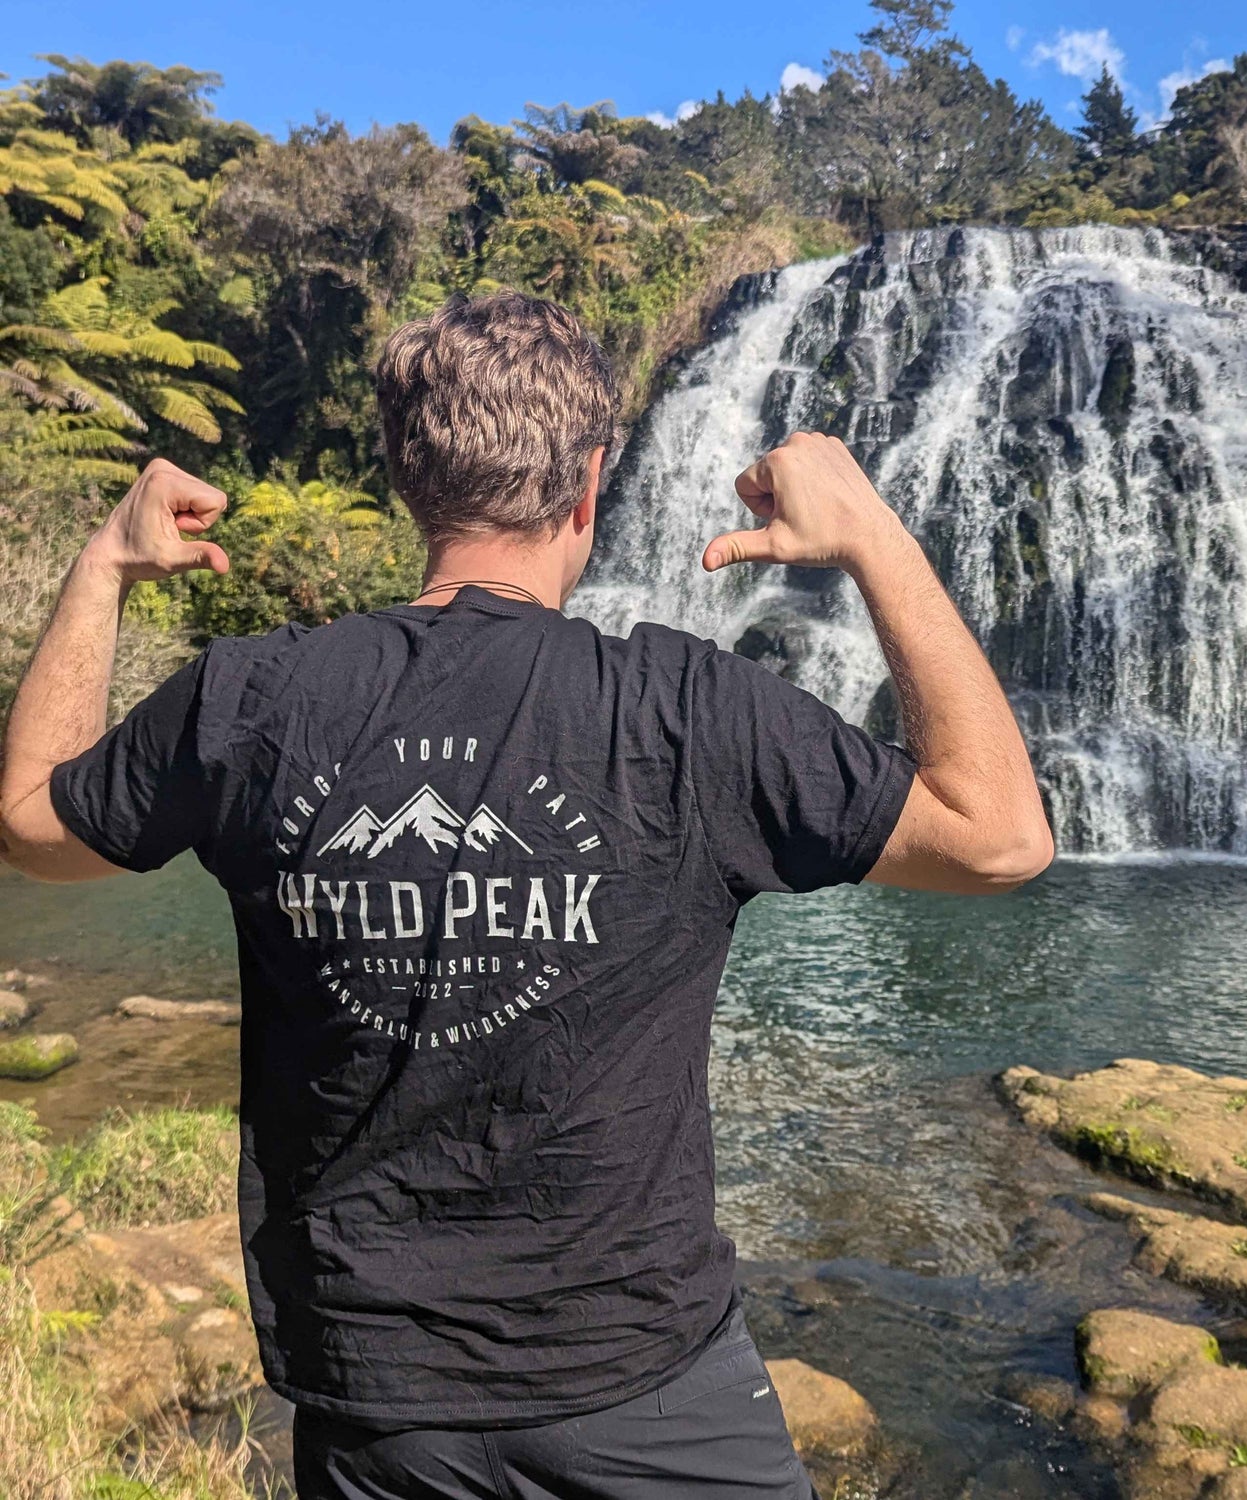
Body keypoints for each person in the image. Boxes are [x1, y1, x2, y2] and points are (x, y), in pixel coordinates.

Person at [0, 290, 1052, 1499]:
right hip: (650, 1389)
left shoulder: (250, 698)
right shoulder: (686, 713)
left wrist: (104, 566)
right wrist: (873, 536)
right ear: (591, 485)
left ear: (403, 473)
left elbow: (30, 823)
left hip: (374, 1401)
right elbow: (1001, 838)